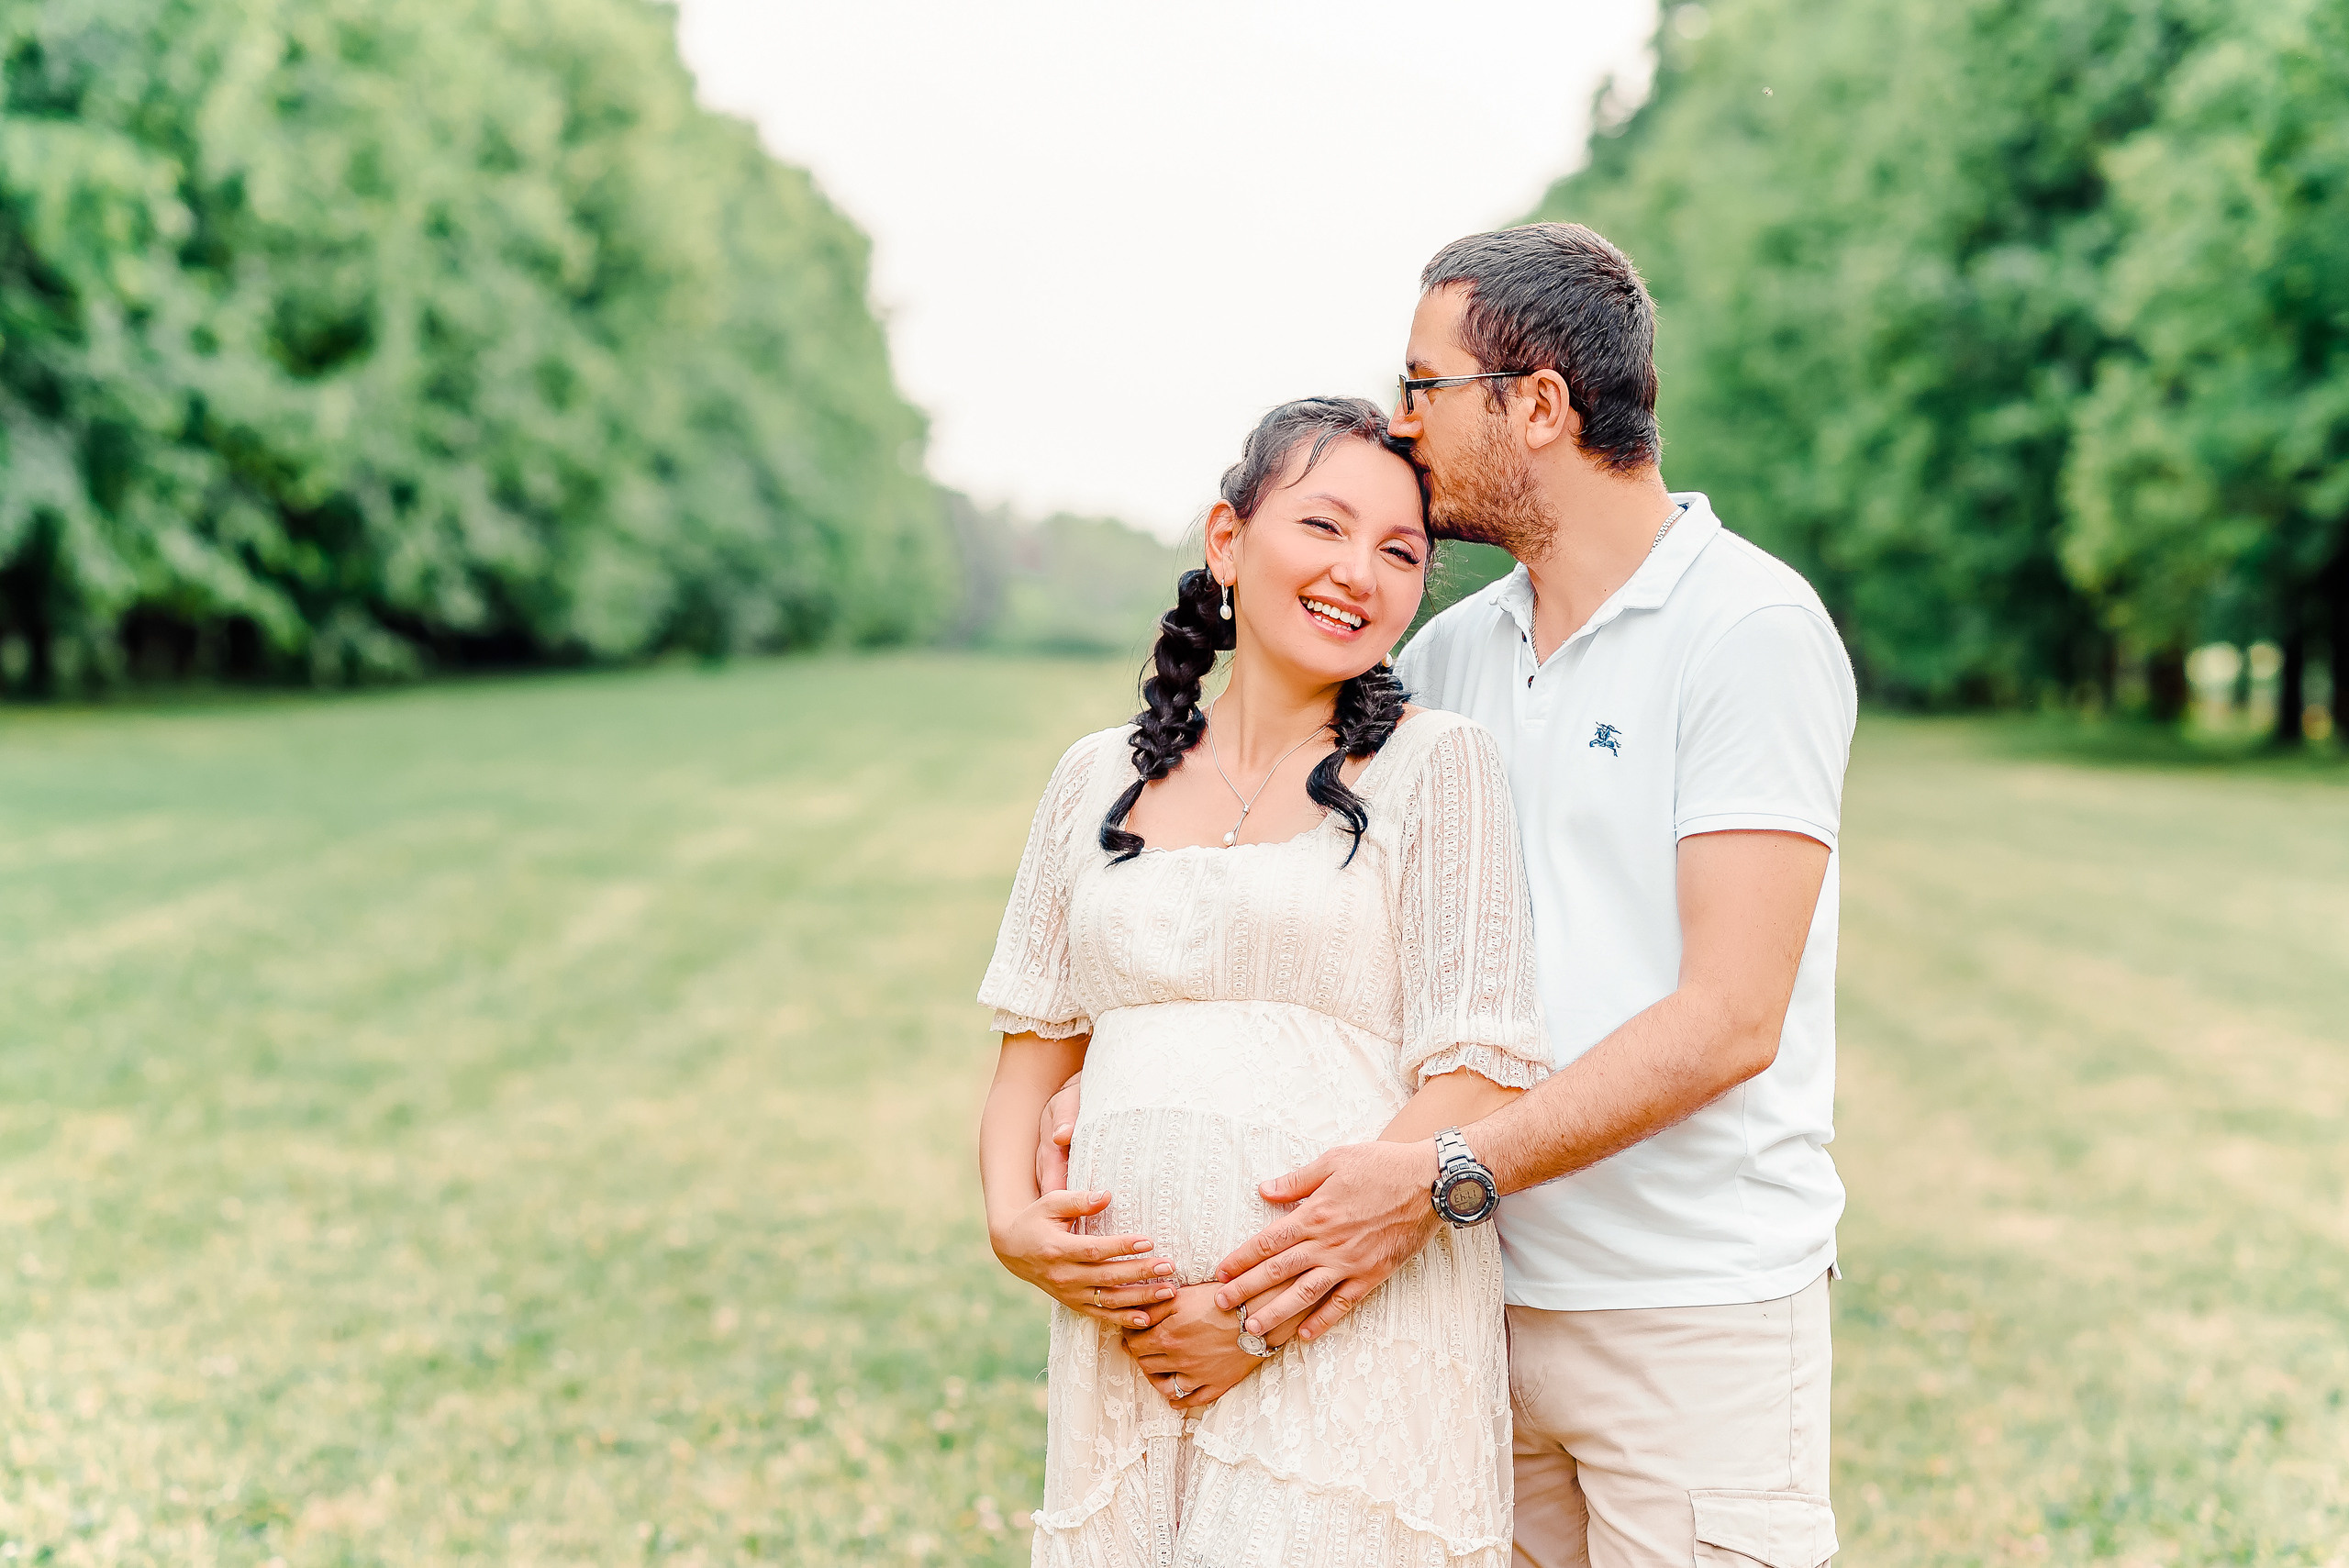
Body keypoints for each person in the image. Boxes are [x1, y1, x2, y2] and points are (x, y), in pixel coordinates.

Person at [1045, 224, 1857, 1568]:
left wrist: (1439, 1177)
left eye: (1425, 388)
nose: (1405, 428)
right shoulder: (1452, 656)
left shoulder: (1749, 632)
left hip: (1689, 1306)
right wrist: (1142, 1059)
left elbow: (1728, 1020)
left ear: (1537, 404)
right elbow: (1323, 905)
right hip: (1464, 1308)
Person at [977, 395, 1552, 1567]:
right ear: (1228, 542)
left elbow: (1480, 1067)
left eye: (1400, 551)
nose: (1361, 572)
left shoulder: (1439, 766)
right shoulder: (1093, 777)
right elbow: (1034, 1044)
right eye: (1325, 526)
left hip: (1351, 1329)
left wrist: (1253, 1313)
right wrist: (1012, 1224)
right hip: (1128, 1352)